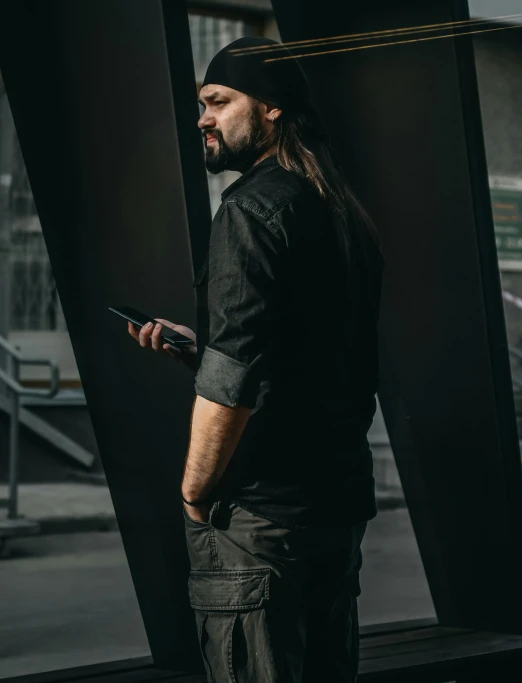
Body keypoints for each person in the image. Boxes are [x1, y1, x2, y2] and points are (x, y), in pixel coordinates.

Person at [127, 36, 384, 683]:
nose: (202, 118)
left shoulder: (251, 209)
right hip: (334, 511)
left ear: (270, 109)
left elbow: (234, 378)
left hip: (262, 522)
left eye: (217, 100)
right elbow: (313, 357)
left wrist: (193, 493)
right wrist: (202, 347)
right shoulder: (339, 211)